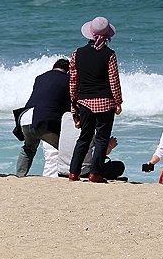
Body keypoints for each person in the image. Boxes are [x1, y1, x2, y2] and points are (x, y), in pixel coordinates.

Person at [68, 16, 123, 183]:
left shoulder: (77, 53)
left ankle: (73, 173)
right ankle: (95, 173)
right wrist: (118, 101)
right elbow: (114, 80)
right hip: (105, 101)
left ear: (89, 34)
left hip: (84, 101)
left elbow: (73, 80)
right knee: (101, 139)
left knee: (84, 137)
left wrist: (74, 102)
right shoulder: (110, 55)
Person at [15, 58, 70, 177]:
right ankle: (70, 174)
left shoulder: (40, 77)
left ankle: (19, 176)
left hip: (25, 117)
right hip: (43, 119)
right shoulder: (68, 80)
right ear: (68, 70)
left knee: (28, 148)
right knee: (65, 149)